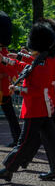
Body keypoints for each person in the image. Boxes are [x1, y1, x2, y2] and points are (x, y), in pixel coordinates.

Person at [0, 21, 55, 182]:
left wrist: (19, 89)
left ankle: (8, 168)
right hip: (42, 108)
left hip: (36, 108)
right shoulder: (41, 61)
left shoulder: (43, 64)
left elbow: (36, 89)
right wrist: (6, 60)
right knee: (51, 139)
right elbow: (26, 67)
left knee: (24, 141)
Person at [0, 11, 21, 147]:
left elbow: (10, 71)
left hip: (2, 88)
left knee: (10, 115)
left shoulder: (4, 54)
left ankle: (18, 138)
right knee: (10, 114)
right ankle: (18, 137)